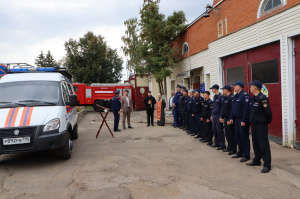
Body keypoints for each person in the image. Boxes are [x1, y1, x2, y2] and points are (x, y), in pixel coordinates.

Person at [247, 80, 273, 173]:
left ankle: (267, 164)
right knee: (255, 144)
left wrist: (266, 122)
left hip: (261, 125)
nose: (250, 88)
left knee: (263, 145)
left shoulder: (263, 98)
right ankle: (257, 160)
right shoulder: (253, 98)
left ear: (255, 88)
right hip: (254, 124)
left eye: (251, 86)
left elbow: (268, 113)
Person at [230, 81, 251, 162]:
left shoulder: (245, 96)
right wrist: (231, 117)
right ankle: (240, 152)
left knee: (244, 137)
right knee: (238, 137)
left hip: (243, 120)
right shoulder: (236, 96)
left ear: (239, 86)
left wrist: (244, 120)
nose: (234, 87)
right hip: (237, 119)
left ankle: (246, 155)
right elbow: (233, 108)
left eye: (235, 86)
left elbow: (246, 110)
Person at [220, 85, 236, 155]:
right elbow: (223, 108)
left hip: (230, 119)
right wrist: (221, 117)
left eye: (223, 89)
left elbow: (232, 110)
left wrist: (230, 118)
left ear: (227, 90)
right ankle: (229, 147)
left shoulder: (231, 98)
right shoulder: (224, 98)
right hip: (225, 118)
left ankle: (233, 149)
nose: (222, 91)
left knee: (231, 134)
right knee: (227, 134)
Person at [210, 84, 225, 150]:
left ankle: (222, 144)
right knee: (214, 130)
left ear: (215, 89)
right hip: (214, 115)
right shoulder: (215, 96)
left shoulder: (221, 96)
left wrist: (221, 117)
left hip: (218, 115)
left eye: (212, 89)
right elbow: (213, 107)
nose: (212, 90)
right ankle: (217, 143)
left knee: (219, 130)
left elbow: (222, 108)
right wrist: (211, 115)